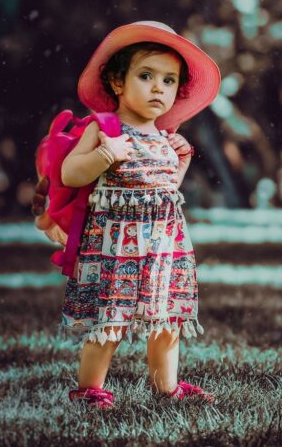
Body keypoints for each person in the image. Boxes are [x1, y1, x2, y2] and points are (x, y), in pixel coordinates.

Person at [34, 21, 221, 409]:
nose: (158, 87)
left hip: (164, 243)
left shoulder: (167, 138)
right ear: (118, 83)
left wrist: (181, 158)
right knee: (111, 319)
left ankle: (166, 387)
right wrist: (105, 154)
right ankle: (90, 388)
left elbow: (167, 190)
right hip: (117, 243)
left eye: (169, 81)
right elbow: (70, 172)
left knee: (167, 320)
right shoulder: (107, 129)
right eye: (147, 75)